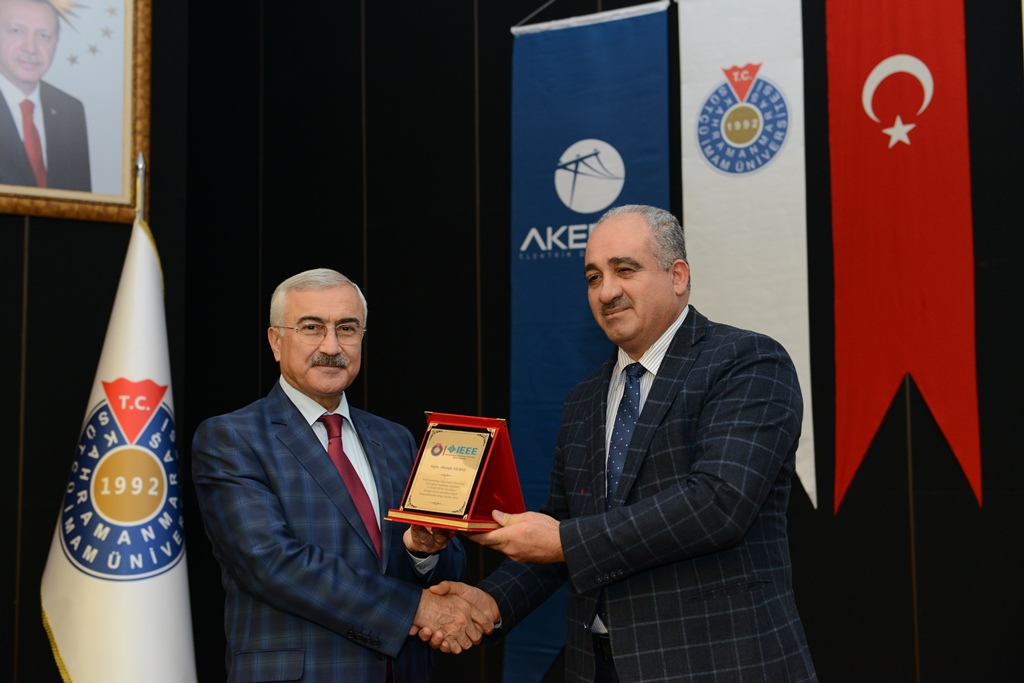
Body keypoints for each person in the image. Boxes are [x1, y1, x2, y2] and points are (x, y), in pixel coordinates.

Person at [424, 205, 817, 681]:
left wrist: (563, 540)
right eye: (593, 277)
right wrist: (491, 602)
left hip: (717, 664)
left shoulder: (747, 363)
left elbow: (718, 504)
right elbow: (565, 528)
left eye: (624, 270)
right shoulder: (584, 398)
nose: (606, 291)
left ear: (677, 276)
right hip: (597, 668)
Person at [192, 268, 493, 682]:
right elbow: (271, 563)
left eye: (347, 328)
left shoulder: (396, 439)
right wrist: (418, 608)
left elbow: (449, 566)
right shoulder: (231, 437)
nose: (331, 346)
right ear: (276, 341)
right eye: (311, 327)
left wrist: (422, 552)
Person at [0, 0, 90, 191]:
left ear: (56, 42)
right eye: (17, 31)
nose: (31, 48)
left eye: (43, 36)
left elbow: (79, 200)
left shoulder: (70, 110)